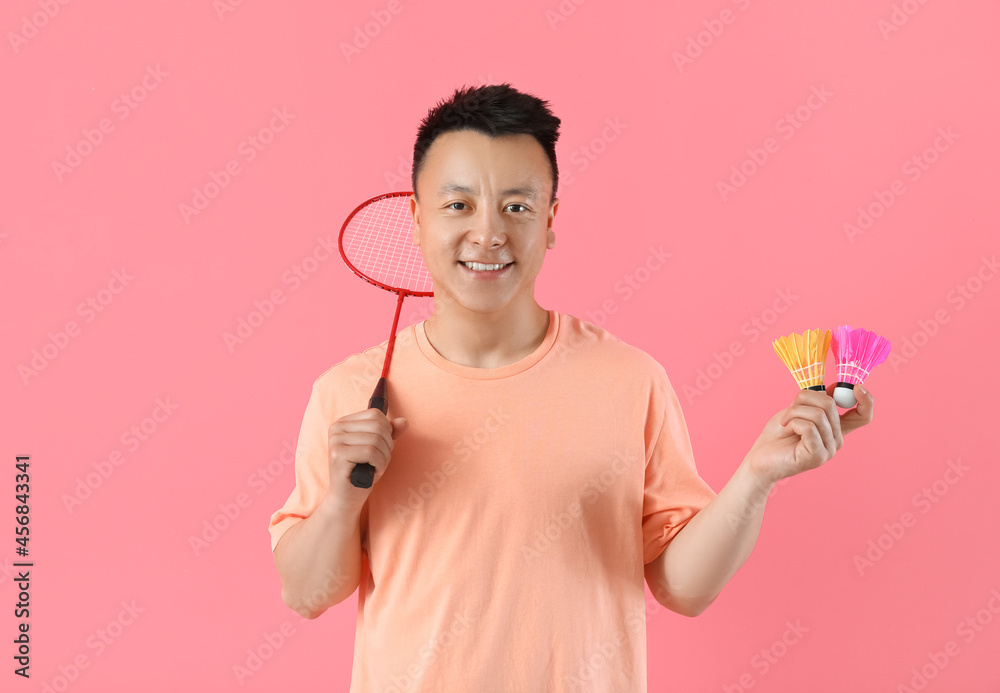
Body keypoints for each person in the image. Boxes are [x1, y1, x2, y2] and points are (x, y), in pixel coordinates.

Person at [268, 83, 875, 691]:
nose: (488, 233)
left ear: (551, 221)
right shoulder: (348, 393)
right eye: (458, 205)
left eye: (517, 206)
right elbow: (306, 593)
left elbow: (684, 589)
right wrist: (345, 500)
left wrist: (757, 476)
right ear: (417, 220)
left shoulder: (631, 380)